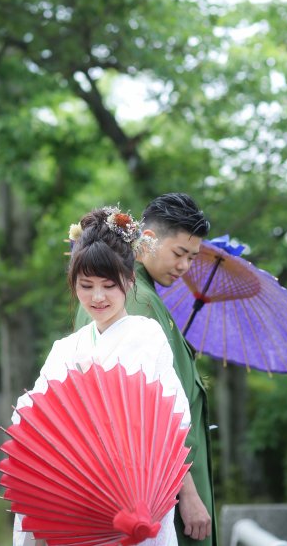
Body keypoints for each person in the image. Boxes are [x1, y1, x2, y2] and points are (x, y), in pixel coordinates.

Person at [12, 206, 191, 546]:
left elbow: (175, 420)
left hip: (134, 492)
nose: (97, 297)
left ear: (129, 279)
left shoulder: (147, 335)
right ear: (73, 284)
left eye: (109, 285)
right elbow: (32, 416)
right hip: (73, 493)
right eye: (86, 285)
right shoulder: (65, 349)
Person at [75, 193, 216, 546]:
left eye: (192, 257)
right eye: (179, 253)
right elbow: (145, 416)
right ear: (148, 240)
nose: (184, 266)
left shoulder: (142, 299)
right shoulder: (135, 302)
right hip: (163, 493)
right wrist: (190, 496)